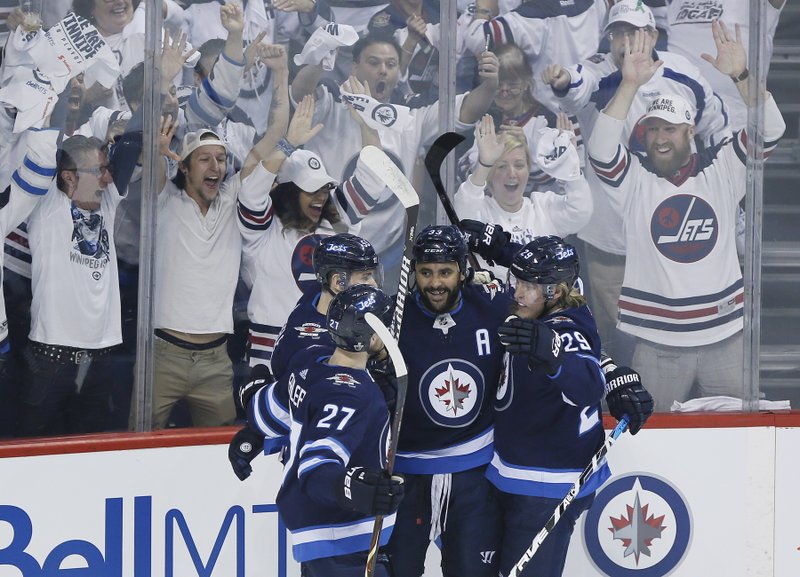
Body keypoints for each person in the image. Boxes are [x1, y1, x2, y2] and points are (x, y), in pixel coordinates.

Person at [586, 21, 786, 410]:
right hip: (656, 343)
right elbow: (601, 150)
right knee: (647, 441)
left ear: (690, 131)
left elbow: (771, 131)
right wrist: (629, 85)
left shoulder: (724, 169)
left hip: (726, 339)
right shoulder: (636, 181)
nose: (660, 138)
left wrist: (742, 77)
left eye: (670, 129)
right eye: (652, 130)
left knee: (739, 442)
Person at [540, 0, 732, 364]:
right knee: (619, 334)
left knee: (677, 329)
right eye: (618, 33)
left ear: (653, 35)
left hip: (672, 232)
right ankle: (622, 400)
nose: (625, 41)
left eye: (634, 32)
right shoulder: (600, 72)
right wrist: (563, 80)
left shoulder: (683, 72)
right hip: (611, 237)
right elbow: (577, 85)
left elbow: (716, 130)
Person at [291, 33, 499, 288]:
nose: (383, 71)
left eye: (391, 65)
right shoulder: (330, 109)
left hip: (385, 259)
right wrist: (318, 59)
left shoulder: (409, 120)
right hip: (326, 248)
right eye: (374, 62)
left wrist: (490, 84)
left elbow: (468, 110)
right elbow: (302, 93)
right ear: (355, 67)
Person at [240, 283, 405, 576]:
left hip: (316, 531)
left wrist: (252, 398)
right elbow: (317, 468)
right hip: (343, 535)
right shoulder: (353, 395)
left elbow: (266, 414)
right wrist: (353, 488)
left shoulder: (310, 364)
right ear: (372, 336)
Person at [385, 224, 509, 577]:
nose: (435, 282)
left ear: (462, 271)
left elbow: (554, 310)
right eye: (425, 272)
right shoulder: (393, 320)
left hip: (474, 475)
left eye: (445, 272)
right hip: (407, 476)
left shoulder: (492, 306)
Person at [489, 235, 606, 577]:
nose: (518, 293)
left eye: (528, 286)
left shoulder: (564, 331)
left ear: (554, 291)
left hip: (546, 484)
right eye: (519, 281)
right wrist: (501, 248)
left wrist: (554, 358)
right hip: (531, 473)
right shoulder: (573, 302)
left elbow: (588, 386)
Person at [228, 232, 383, 479]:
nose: (373, 284)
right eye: (365, 276)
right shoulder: (319, 346)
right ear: (338, 282)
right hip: (334, 461)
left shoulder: (317, 296)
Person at [455, 113, 592, 278]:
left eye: (519, 165)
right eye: (501, 166)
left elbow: (581, 212)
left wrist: (570, 165)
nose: (512, 174)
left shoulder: (543, 206)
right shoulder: (479, 210)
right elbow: (462, 213)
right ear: (490, 173)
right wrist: (485, 163)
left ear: (528, 169)